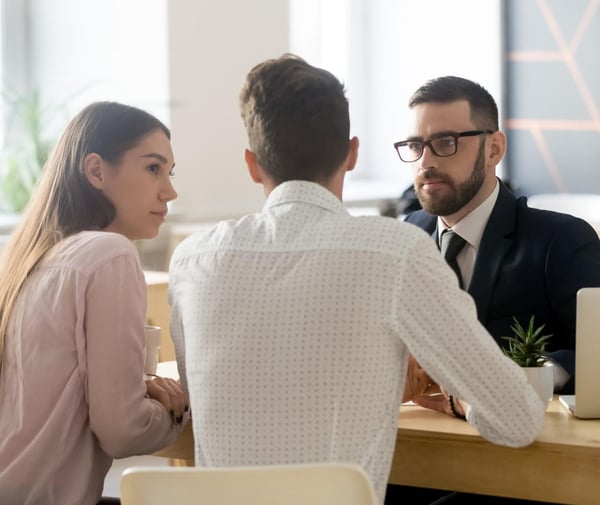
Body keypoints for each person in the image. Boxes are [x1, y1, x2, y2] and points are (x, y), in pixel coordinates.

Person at [168, 54, 544, 505]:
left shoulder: (192, 260)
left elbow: (201, 407)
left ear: (252, 164)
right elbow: (517, 420)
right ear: (352, 153)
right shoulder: (395, 253)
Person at [0, 102, 188, 505]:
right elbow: (123, 431)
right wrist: (177, 407)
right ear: (96, 171)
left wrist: (135, 388)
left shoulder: (28, 258)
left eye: (169, 173)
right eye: (153, 168)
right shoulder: (110, 254)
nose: (170, 191)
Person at [397, 75, 600, 398]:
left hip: (526, 441)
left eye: (446, 142)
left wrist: (528, 378)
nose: (426, 162)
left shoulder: (562, 241)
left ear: (494, 149)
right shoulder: (405, 235)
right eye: (414, 145)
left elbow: (594, 355)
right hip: (420, 432)